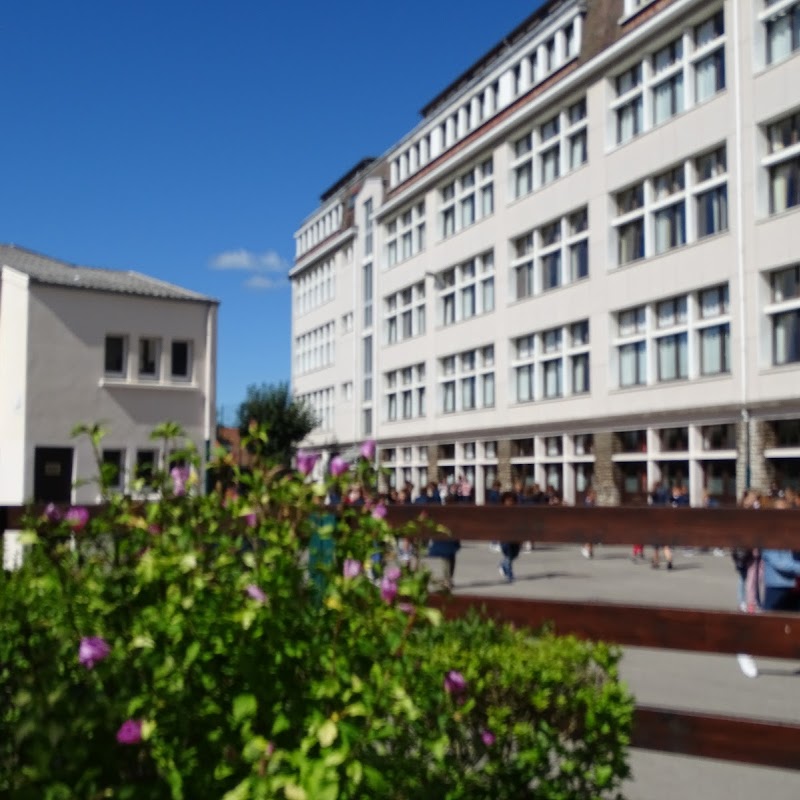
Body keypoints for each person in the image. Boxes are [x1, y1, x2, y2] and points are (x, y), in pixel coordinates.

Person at [498, 491, 521, 582]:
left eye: (511, 501)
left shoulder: (517, 512)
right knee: (509, 554)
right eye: (508, 501)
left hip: (516, 537)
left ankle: (503, 564)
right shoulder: (501, 511)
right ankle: (509, 573)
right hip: (505, 537)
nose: (510, 503)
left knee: (514, 554)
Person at [581, 488, 597, 559]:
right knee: (589, 537)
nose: (595, 496)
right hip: (586, 521)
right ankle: (587, 549)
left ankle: (589, 550)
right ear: (589, 495)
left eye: (595, 495)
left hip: (593, 521)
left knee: (592, 537)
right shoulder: (586, 502)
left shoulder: (594, 502)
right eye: (593, 494)